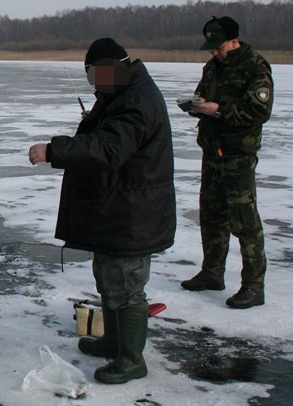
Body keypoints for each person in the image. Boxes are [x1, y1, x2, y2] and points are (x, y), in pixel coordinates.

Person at [29, 38, 176, 384]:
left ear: (112, 67)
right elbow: (108, 137)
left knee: (125, 284)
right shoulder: (123, 92)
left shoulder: (138, 100)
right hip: (118, 206)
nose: (94, 83)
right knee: (109, 277)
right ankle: (113, 341)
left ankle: (131, 359)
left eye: (96, 75)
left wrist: (53, 151)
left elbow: (110, 148)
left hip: (132, 212)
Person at [180, 16, 273, 309]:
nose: (213, 52)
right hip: (212, 151)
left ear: (234, 41)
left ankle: (254, 286)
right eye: (211, 48)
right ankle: (211, 273)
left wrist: (218, 111)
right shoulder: (212, 67)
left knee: (244, 221)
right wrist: (197, 105)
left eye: (218, 47)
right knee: (211, 216)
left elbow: (259, 110)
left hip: (237, 157)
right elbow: (204, 96)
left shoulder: (255, 67)